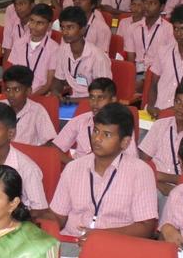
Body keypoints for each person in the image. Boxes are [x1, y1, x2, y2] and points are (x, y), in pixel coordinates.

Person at [48, 103, 157, 243]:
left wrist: (99, 237)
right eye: (96, 131)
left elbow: (146, 228)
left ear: (125, 142)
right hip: (72, 242)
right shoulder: (73, 168)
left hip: (114, 248)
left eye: (107, 134)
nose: (97, 139)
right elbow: (58, 218)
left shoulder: (140, 172)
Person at [7, 3, 59, 94]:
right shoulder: (19, 44)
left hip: (40, 96)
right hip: (17, 94)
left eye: (40, 23)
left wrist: (30, 97)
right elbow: (13, 75)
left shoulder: (54, 49)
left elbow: (49, 83)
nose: (34, 26)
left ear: (49, 25)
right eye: (32, 20)